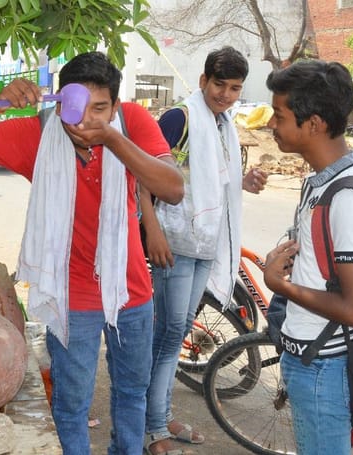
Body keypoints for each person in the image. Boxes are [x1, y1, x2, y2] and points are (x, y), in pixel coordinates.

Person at [0, 51, 184, 454]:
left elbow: (173, 188)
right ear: (57, 101)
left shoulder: (132, 123)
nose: (85, 121)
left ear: (116, 107)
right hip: (70, 296)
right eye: (75, 108)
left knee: (132, 394)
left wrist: (114, 139)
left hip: (131, 289)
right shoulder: (39, 133)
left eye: (100, 109)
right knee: (71, 404)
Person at [140, 46, 268, 455]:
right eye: (219, 85)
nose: (226, 95)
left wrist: (242, 182)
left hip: (205, 242)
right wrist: (153, 231)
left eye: (234, 88)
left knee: (175, 333)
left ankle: (159, 416)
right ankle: (152, 425)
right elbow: (142, 175)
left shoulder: (222, 123)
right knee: (168, 334)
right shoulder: (179, 118)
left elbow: (211, 179)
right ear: (203, 81)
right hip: (175, 242)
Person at [263, 60, 353, 455]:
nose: (271, 125)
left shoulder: (347, 198)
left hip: (325, 369)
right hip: (311, 361)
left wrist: (280, 285)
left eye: (279, 116)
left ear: (313, 124)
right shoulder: (321, 183)